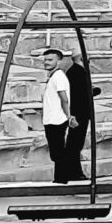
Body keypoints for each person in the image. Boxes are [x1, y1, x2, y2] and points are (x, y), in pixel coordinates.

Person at [40, 48, 84, 182]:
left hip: (56, 120)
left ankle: (61, 178)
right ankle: (62, 177)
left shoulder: (58, 77)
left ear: (59, 61)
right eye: (45, 60)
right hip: (52, 119)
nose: (46, 63)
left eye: (50, 60)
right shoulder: (55, 76)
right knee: (57, 151)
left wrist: (69, 116)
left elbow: (64, 98)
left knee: (58, 152)